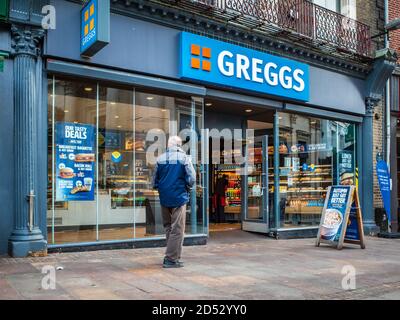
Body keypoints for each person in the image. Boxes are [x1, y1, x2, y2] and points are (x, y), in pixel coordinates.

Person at [153, 136, 196, 268]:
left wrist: (161, 189)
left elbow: (154, 180)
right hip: (179, 196)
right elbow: (192, 177)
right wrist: (187, 188)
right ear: (179, 145)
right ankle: (171, 258)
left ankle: (173, 256)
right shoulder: (184, 158)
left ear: (168, 145)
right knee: (177, 229)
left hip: (164, 197)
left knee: (168, 227)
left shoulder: (160, 158)